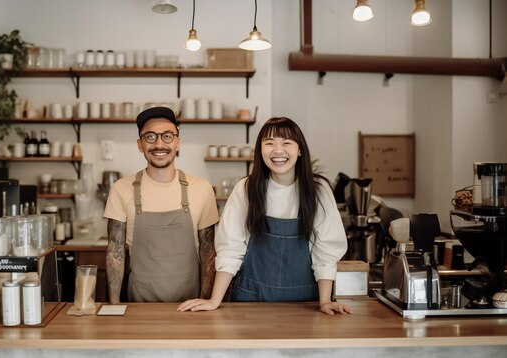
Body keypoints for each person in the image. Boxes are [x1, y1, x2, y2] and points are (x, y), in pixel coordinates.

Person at [178, 117, 351, 315]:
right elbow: (230, 248)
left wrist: (324, 301)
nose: (278, 151)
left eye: (286, 143)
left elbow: (326, 250)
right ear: (260, 150)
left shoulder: (318, 190)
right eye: (269, 143)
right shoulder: (246, 189)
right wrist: (214, 300)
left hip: (304, 304)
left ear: (300, 150)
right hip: (250, 302)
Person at [104, 106, 219, 303]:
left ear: (177, 143)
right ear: (140, 144)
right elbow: (115, 254)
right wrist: (114, 305)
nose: (159, 144)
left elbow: (208, 253)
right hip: (139, 305)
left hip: (190, 306)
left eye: (167, 136)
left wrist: (205, 301)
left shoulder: (202, 188)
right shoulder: (121, 189)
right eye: (150, 137)